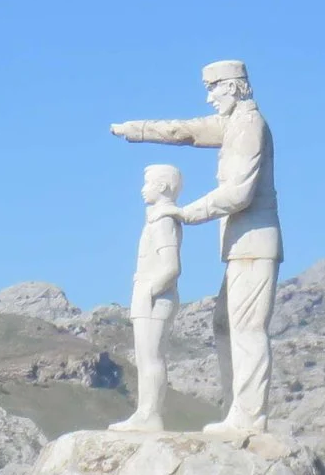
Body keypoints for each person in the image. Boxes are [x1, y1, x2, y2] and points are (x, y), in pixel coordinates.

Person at [111, 60, 282, 431]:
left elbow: (238, 193)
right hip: (240, 247)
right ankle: (236, 410)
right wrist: (137, 130)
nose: (209, 98)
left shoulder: (249, 125)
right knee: (225, 325)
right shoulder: (234, 124)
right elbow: (186, 132)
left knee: (246, 329)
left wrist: (185, 213)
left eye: (213, 88)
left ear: (232, 86)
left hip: (255, 245)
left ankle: (248, 416)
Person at [112, 164, 188, 433]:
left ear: (162, 186)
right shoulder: (156, 219)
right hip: (147, 293)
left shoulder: (164, 221)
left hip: (155, 296)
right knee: (144, 358)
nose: (143, 189)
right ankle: (144, 411)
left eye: (148, 183)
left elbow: (171, 266)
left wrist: (149, 290)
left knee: (151, 357)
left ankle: (150, 413)